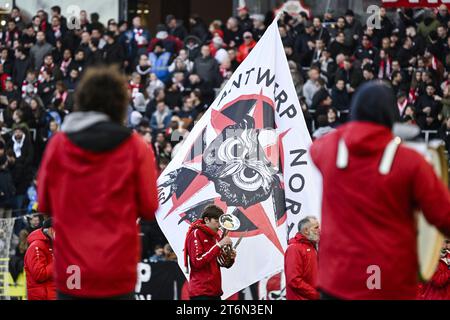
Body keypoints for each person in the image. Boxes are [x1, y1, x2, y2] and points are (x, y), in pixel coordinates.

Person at [310, 80, 450, 299]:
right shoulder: (411, 162)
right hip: (388, 281)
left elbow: (317, 147)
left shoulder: (328, 150)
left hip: (338, 280)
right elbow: (444, 215)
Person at [37, 66, 159, 300]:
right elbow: (149, 207)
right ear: (120, 104)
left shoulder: (58, 145)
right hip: (116, 272)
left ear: (82, 100)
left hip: (73, 273)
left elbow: (43, 203)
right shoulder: (136, 148)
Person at [183, 205, 236, 300]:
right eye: (216, 221)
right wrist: (219, 245)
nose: (220, 225)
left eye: (220, 222)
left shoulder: (216, 237)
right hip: (201, 293)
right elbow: (197, 262)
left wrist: (230, 257)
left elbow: (222, 263)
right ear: (206, 220)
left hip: (215, 292)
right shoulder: (196, 233)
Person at [284, 216, 320, 300]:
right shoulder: (294, 249)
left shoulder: (312, 247)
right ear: (306, 231)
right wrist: (316, 294)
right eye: (316, 227)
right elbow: (294, 280)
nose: (319, 230)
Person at [24, 218, 56, 300]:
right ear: (50, 230)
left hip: (52, 294)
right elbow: (39, 275)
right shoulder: (36, 246)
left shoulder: (52, 244)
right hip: (42, 296)